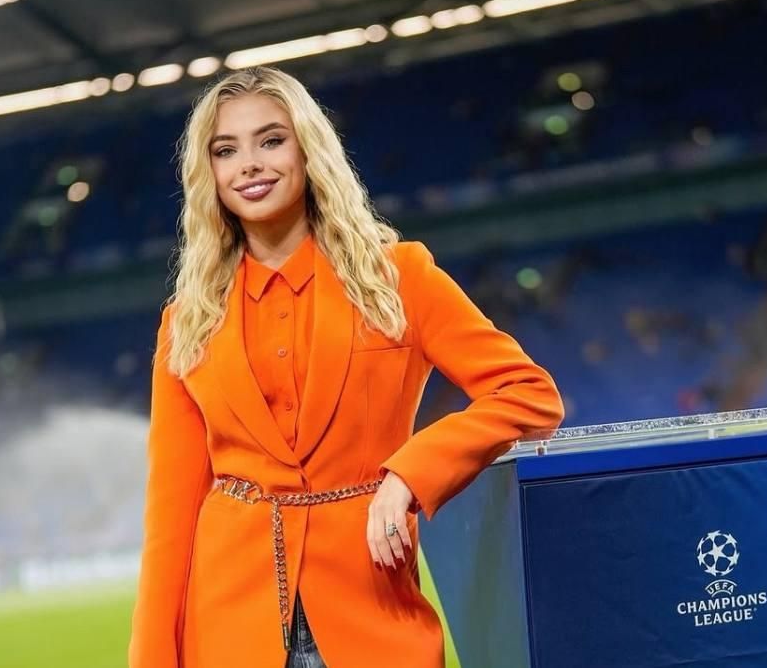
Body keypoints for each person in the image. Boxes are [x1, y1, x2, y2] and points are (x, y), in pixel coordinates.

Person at [128, 65, 565, 668]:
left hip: (373, 617)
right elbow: (170, 514)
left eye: (271, 140)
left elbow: (528, 393)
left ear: (309, 149)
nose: (249, 164)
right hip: (227, 628)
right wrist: (151, 657)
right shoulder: (186, 320)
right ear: (209, 174)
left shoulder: (400, 278)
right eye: (225, 151)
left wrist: (409, 475)